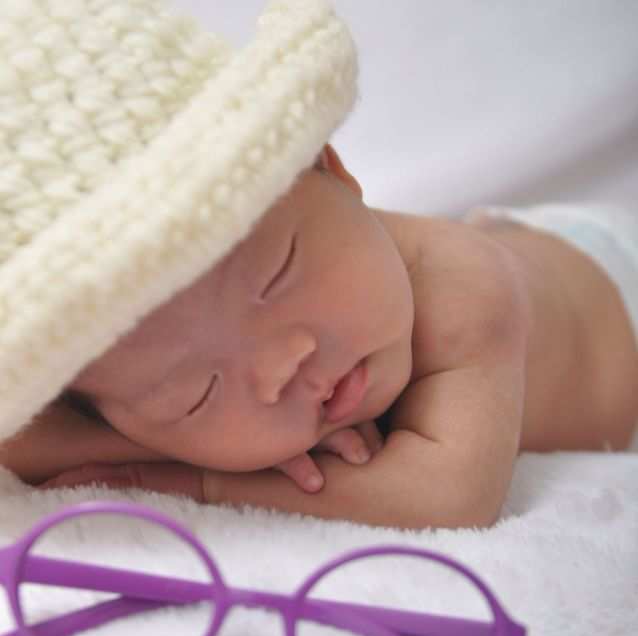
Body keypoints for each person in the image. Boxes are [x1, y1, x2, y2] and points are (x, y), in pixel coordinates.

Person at [1, 0, 636, 529]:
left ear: (332, 167)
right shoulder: (120, 372)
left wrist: (203, 477)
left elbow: (449, 496)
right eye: (196, 396)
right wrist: (199, 442)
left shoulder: (466, 290)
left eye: (279, 275)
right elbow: (19, 439)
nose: (280, 368)